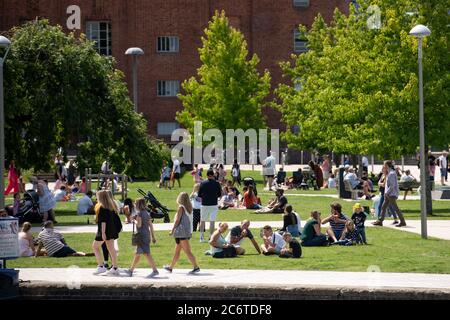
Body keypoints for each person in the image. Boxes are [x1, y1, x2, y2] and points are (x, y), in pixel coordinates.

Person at [164, 192, 200, 274]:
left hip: (181, 232)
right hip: (186, 231)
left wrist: (172, 230)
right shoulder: (189, 207)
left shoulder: (181, 207)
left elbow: (177, 220)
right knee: (177, 251)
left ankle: (196, 267)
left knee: (187, 251)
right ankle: (170, 267)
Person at [124, 199, 159, 278]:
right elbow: (151, 225)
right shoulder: (147, 213)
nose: (134, 205)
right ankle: (131, 271)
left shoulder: (139, 214)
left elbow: (139, 225)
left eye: (135, 203)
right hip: (146, 235)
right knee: (139, 254)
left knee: (145, 254)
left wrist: (134, 220)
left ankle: (155, 271)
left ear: (138, 205)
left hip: (141, 236)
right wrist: (153, 236)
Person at [92, 190, 122, 276]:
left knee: (95, 247)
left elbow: (103, 222)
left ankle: (101, 266)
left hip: (104, 231)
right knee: (111, 249)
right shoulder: (111, 207)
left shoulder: (101, 207)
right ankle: (115, 267)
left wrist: (103, 233)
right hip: (112, 231)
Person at [373, 160, 407, 227]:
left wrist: (387, 193)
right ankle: (380, 221)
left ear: (387, 165)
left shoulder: (391, 173)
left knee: (395, 208)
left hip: (391, 194)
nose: (383, 166)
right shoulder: (389, 173)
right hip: (388, 194)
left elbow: (392, 185)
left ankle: (403, 222)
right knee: (383, 207)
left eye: (384, 165)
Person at [198, 169, 222, 242]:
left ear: (207, 175)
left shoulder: (203, 183)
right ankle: (211, 236)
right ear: (213, 175)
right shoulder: (217, 183)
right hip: (214, 204)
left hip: (204, 204)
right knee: (212, 221)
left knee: (202, 220)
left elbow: (199, 194)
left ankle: (201, 237)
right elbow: (219, 195)